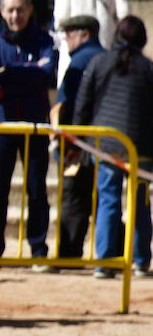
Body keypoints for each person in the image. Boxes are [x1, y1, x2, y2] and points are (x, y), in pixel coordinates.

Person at [74, 16, 153, 278]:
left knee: (108, 200)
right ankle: (140, 260)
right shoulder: (147, 68)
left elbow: (83, 103)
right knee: (140, 202)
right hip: (139, 144)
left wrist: (78, 138)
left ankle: (105, 261)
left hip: (106, 142)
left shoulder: (99, 62)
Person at [0, 0, 56, 267]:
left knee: (37, 188)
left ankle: (38, 248)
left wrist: (9, 75)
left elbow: (46, 74)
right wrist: (28, 72)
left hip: (35, 122)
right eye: (10, 10)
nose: (15, 15)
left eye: (20, 9)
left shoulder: (43, 40)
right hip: (2, 123)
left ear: (30, 10)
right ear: (2, 11)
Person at [51, 14, 104, 263]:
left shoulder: (79, 63)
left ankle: (69, 252)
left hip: (80, 142)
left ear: (84, 35)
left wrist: (67, 140)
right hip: (106, 141)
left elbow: (67, 105)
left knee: (74, 196)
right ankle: (112, 249)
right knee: (104, 199)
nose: (67, 41)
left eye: (69, 35)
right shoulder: (107, 59)